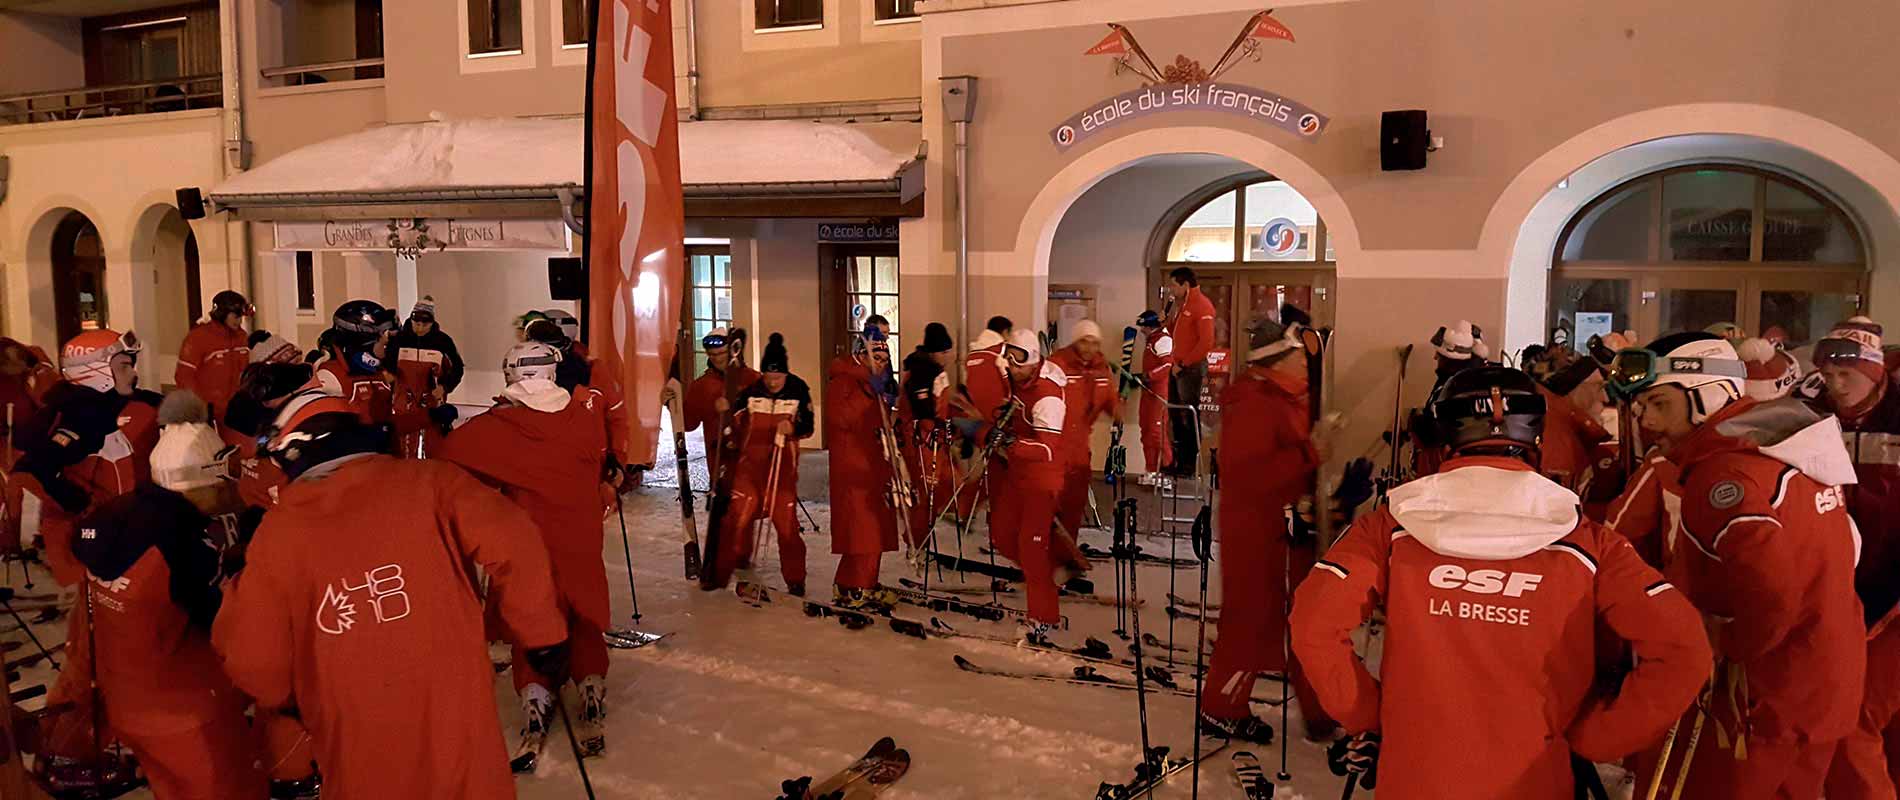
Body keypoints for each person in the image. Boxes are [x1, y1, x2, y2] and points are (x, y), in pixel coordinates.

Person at [1290, 365, 1712, 799]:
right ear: (1536, 438)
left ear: (1444, 436)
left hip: (1415, 774)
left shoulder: (1390, 527)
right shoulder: (1590, 541)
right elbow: (1685, 652)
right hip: (1538, 776)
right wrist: (1598, 738)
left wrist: (1369, 713)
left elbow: (1313, 625)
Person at [211, 389, 569, 800]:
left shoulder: (279, 535)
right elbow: (514, 538)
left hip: (354, 728)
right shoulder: (431, 481)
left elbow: (251, 654)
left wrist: (281, 697)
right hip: (455, 711)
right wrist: (542, 634)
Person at [1612, 333, 1865, 800]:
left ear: (1708, 397)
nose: (1645, 421)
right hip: (1822, 678)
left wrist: (1720, 642)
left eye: (1659, 403)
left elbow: (1772, 595)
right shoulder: (1790, 446)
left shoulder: (1723, 476)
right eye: (1641, 406)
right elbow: (1848, 544)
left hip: (1760, 697)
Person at [57, 391, 268, 799]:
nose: (229, 491)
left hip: (127, 704)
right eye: (223, 480)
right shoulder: (183, 543)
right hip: (186, 712)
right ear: (202, 480)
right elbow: (224, 623)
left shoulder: (116, 517)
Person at [437, 341, 612, 760]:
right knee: (583, 611)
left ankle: (534, 695)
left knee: (530, 617)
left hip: (527, 543)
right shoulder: (584, 417)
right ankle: (590, 683)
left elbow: (449, 458)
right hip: (582, 539)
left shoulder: (500, 426)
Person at [1198, 307, 1329, 743]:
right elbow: (1250, 476)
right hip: (1256, 530)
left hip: (1287, 523)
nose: (1305, 362)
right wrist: (1312, 453)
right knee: (1250, 621)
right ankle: (1221, 707)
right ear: (1278, 359)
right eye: (1298, 355)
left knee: (1303, 616)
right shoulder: (1254, 401)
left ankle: (1321, 708)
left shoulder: (1285, 397)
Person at [1804, 319, 1900, 800]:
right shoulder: (1810, 413)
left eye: (1848, 374)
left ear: (1875, 372)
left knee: (1855, 716)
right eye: (1828, 373)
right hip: (1847, 590)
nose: (1836, 384)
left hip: (1891, 598)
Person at [14, 330, 162, 586]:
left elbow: (135, 397)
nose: (134, 374)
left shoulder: (100, 401)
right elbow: (33, 469)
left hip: (111, 529)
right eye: (124, 366)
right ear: (97, 372)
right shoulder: (78, 415)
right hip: (84, 542)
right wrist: (81, 505)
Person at [709, 334, 814, 598]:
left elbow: (808, 426)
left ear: (786, 374)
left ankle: (795, 579)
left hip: (782, 466)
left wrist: (793, 427)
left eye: (777, 378)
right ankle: (735, 567)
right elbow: (734, 419)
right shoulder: (753, 392)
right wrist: (725, 411)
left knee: (786, 525)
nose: (772, 382)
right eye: (768, 376)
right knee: (739, 516)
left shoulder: (799, 390)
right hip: (750, 466)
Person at [992, 329, 1068, 641]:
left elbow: (1048, 448)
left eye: (1019, 358)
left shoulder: (1047, 395)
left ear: (1034, 359)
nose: (1012, 363)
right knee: (1001, 534)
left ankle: (1044, 614)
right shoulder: (1018, 381)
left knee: (1031, 546)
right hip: (1018, 474)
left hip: (1041, 478)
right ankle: (1043, 577)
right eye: (1009, 355)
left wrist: (1012, 442)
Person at [827, 327, 900, 610]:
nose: (880, 363)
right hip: (855, 467)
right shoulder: (845, 382)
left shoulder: (872, 383)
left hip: (873, 463)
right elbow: (844, 418)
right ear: (860, 356)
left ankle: (854, 581)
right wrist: (874, 404)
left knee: (874, 527)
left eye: (884, 359)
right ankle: (858, 585)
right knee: (864, 529)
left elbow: (879, 421)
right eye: (876, 357)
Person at [1048, 320, 1114, 567]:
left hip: (1079, 451)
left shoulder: (1100, 369)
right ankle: (1042, 559)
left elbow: (1109, 399)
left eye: (1094, 342)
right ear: (1075, 341)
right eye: (1084, 341)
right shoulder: (1058, 364)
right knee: (1050, 508)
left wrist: (1117, 409)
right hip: (1056, 448)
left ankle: (1065, 560)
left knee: (1074, 508)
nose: (1089, 347)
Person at [899, 322, 959, 548]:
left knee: (937, 489)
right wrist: (938, 427)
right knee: (926, 494)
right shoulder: (923, 372)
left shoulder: (933, 371)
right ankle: (916, 541)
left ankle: (920, 537)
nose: (949, 356)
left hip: (932, 438)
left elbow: (940, 406)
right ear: (935, 352)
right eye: (945, 352)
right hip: (922, 441)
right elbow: (923, 412)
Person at [673, 328, 761, 479]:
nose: (717, 359)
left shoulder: (754, 380)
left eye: (721, 353)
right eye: (712, 355)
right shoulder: (701, 386)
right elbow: (687, 424)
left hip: (753, 456)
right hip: (720, 462)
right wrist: (672, 404)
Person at [0, 337, 59, 553]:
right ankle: (9, 540)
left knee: (45, 486)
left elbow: (49, 398)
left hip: (36, 436)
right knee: (13, 487)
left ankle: (47, 533)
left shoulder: (38, 364)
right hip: (7, 438)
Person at [390, 296, 465, 458]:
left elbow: (458, 368)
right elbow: (388, 365)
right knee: (403, 438)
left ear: (432, 323)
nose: (420, 328)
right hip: (403, 401)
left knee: (431, 442)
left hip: (431, 399)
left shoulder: (443, 341)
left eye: (425, 324)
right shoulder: (399, 340)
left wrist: (445, 386)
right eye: (416, 323)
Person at [1163, 267, 1216, 477]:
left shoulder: (1202, 306)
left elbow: (1206, 343)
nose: (1171, 289)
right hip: (1176, 367)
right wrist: (1165, 320)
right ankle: (1177, 460)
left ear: (1185, 285)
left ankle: (1189, 464)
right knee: (1175, 414)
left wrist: (1183, 364)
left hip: (1189, 369)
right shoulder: (1181, 305)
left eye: (1174, 285)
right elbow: (1176, 333)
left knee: (1188, 414)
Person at [174, 290, 253, 419]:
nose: (239, 321)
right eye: (236, 316)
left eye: (241, 317)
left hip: (235, 412)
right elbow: (184, 376)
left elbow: (244, 373)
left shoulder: (242, 337)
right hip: (207, 413)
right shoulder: (198, 337)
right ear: (222, 313)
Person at [1135, 310, 1174, 479]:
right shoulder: (1151, 340)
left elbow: (1167, 366)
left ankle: (1166, 471)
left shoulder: (1163, 340)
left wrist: (1148, 376)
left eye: (1143, 326)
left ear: (1149, 326)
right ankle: (1151, 470)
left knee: (1157, 432)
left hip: (1158, 392)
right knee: (1146, 430)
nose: (1141, 330)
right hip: (1148, 391)